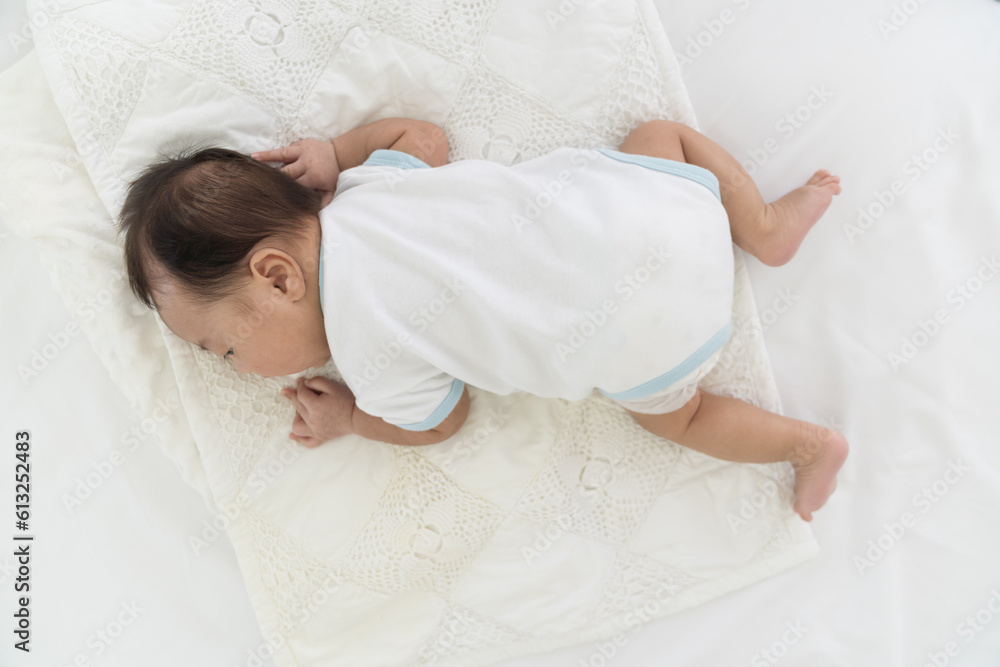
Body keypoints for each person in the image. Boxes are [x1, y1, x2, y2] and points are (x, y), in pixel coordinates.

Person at [118, 117, 848, 521]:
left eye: (222, 349)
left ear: (276, 277)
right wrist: (333, 153)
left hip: (661, 339)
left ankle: (807, 445)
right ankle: (759, 226)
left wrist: (349, 417)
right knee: (660, 136)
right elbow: (424, 138)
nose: (232, 369)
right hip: (672, 218)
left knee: (676, 416)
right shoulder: (367, 195)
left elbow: (442, 421)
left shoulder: (370, 361)